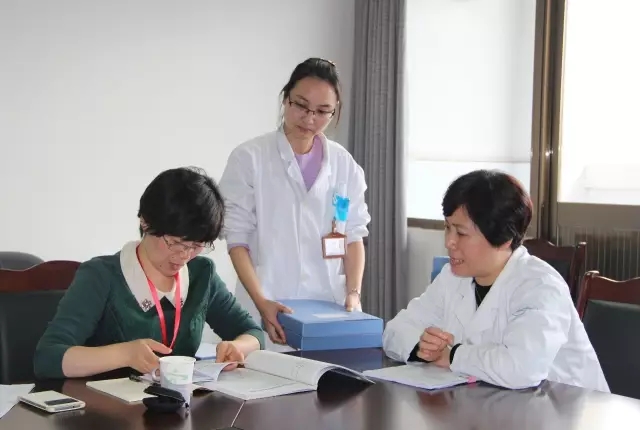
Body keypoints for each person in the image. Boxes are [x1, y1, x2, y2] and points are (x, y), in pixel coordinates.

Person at [382, 170, 609, 392]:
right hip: (494, 403)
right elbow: (395, 331)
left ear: (504, 237)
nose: (449, 242)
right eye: (447, 228)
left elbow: (520, 368)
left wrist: (452, 355)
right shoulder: (452, 277)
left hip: (565, 408)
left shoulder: (541, 286)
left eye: (461, 233)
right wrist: (422, 348)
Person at [34, 167, 264, 379]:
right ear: (145, 222)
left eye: (196, 246)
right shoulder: (100, 275)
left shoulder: (202, 273)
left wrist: (237, 346)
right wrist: (124, 354)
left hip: (176, 404)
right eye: (175, 242)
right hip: (105, 406)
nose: (184, 255)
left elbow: (252, 332)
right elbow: (48, 358)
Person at [219, 58, 371, 350]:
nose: (309, 118)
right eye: (300, 105)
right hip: (269, 301)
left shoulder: (344, 164)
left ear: (335, 111)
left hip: (328, 307)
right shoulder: (249, 158)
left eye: (322, 111)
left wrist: (353, 292)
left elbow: (354, 236)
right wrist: (261, 301)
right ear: (285, 98)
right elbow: (237, 240)